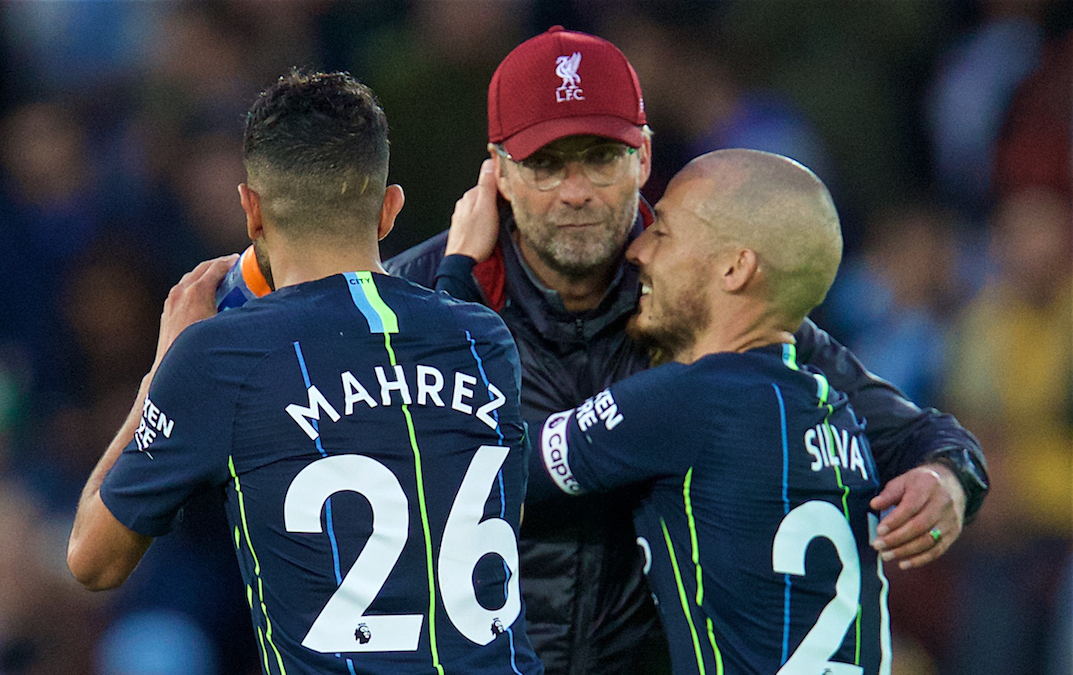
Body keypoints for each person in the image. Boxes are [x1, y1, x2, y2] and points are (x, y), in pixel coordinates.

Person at [385, 26, 988, 675]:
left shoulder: (708, 294)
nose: (577, 190)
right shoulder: (407, 291)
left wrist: (949, 474)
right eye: (546, 163)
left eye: (601, 157)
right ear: (498, 170)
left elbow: (909, 431)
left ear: (643, 157)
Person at [67, 70, 543, 675]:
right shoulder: (485, 341)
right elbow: (500, 515)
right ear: (389, 208)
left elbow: (92, 560)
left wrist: (162, 369)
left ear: (251, 211)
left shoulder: (220, 356)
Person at [529, 147, 889, 674]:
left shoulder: (693, 401)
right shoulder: (843, 421)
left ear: (734, 267)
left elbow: (494, 462)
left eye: (664, 231)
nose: (638, 251)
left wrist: (457, 277)